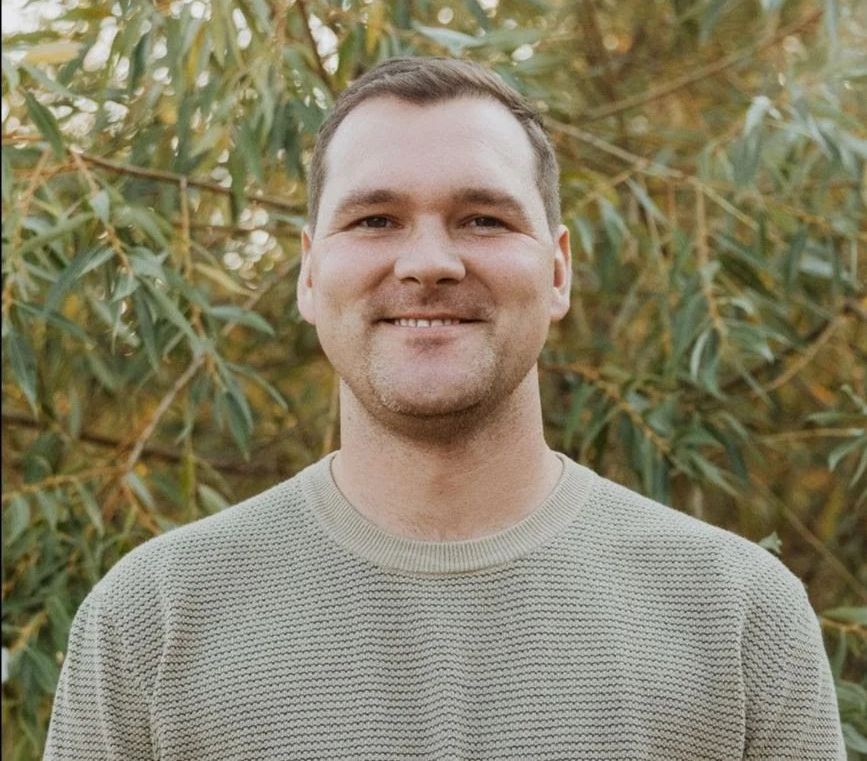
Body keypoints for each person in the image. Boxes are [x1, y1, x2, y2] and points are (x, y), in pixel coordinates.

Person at [45, 57, 845, 760]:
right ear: (308, 272)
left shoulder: (736, 612)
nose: (428, 261)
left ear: (558, 269)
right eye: (375, 220)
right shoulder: (152, 617)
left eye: (482, 219)